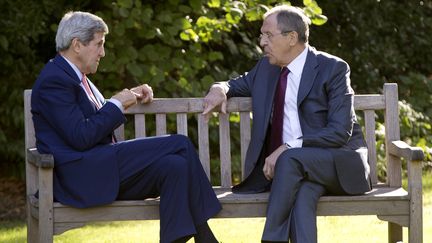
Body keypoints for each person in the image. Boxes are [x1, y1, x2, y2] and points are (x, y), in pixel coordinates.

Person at [31, 11, 221, 243]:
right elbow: (81, 136)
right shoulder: (55, 80)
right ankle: (206, 236)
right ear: (77, 45)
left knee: (175, 166)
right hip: (81, 177)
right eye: (99, 44)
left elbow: (96, 115)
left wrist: (131, 95)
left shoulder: (75, 76)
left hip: (101, 169)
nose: (103, 52)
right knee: (179, 143)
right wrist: (117, 103)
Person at [203, 5, 371, 243]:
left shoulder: (333, 68)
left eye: (268, 35)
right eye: (261, 35)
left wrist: (288, 147)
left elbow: (339, 133)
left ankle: (270, 240)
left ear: (292, 38)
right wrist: (219, 88)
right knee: (303, 195)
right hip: (298, 174)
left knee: (290, 158)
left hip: (338, 163)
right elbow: (235, 84)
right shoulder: (266, 68)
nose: (262, 42)